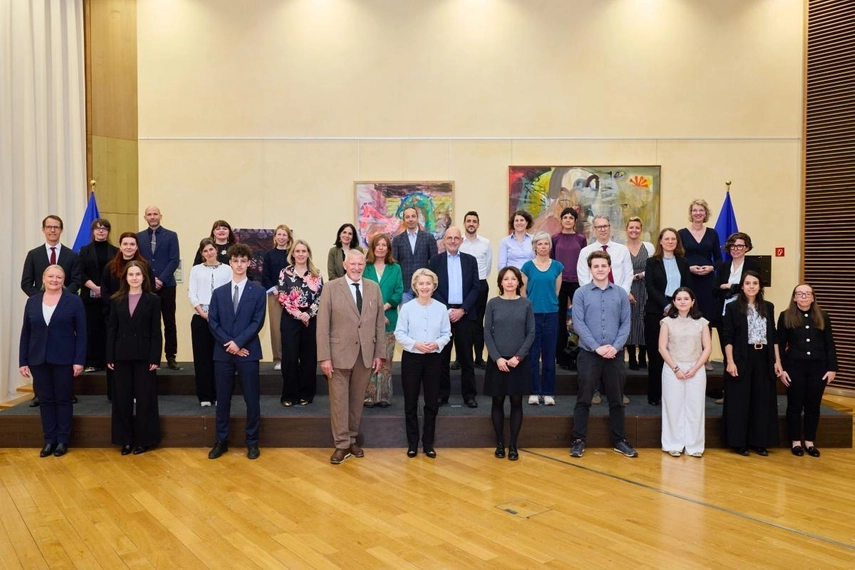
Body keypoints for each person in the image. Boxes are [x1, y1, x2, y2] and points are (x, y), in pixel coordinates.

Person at [316, 250, 386, 465]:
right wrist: (324, 357)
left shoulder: (373, 288)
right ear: (345, 265)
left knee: (356, 402)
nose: (357, 268)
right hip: (337, 356)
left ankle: (352, 439)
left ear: (365, 265)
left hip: (364, 356)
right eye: (353, 264)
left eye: (360, 264)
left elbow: (378, 323)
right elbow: (322, 325)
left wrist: (379, 354)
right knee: (339, 401)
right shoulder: (330, 287)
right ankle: (341, 444)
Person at [570, 250, 637, 459]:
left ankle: (619, 440)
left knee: (617, 400)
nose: (600, 269)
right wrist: (596, 347)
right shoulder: (580, 294)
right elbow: (578, 324)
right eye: (596, 266)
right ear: (590, 269)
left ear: (609, 268)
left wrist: (614, 347)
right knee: (584, 398)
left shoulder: (620, 294)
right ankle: (578, 439)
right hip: (589, 354)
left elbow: (626, 324)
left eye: (603, 266)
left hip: (614, 354)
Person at [207, 244, 267, 460]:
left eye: (243, 261)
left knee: (252, 399)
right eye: (236, 261)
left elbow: (257, 322)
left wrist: (239, 343)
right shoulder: (219, 292)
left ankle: (252, 442)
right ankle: (221, 441)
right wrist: (230, 344)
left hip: (248, 353)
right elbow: (213, 322)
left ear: (249, 263)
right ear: (230, 263)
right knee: (223, 399)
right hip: (223, 354)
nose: (239, 264)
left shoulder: (258, 292)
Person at [19, 265, 86, 457]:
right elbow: (26, 333)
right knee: (46, 400)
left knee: (63, 399)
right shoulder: (32, 302)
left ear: (64, 280)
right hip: (38, 359)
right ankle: (49, 440)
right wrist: (22, 361)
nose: (54, 280)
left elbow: (82, 334)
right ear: (43, 278)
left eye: (59, 277)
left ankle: (62, 441)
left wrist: (79, 360)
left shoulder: (73, 301)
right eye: (51, 276)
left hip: (65, 359)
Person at [21, 215, 84, 407]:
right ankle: (39, 394)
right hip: (41, 308)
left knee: (63, 350)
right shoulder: (33, 254)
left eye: (56, 227)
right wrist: (41, 298)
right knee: (39, 349)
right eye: (49, 227)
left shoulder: (72, 255)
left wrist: (63, 299)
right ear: (43, 230)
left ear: (61, 230)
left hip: (64, 309)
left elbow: (76, 280)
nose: (53, 230)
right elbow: (26, 282)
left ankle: (67, 392)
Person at [721, 270, 782, 456]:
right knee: (740, 401)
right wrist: (730, 362)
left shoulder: (768, 307)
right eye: (748, 283)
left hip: (764, 357)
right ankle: (739, 442)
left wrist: (777, 361)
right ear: (742, 286)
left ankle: (760, 442)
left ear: (760, 286)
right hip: (741, 357)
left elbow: (774, 335)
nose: (751, 286)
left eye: (755, 283)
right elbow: (727, 337)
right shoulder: (732, 307)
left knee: (762, 400)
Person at [106, 261, 163, 455]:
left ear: (144, 277)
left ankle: (144, 440)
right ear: (125, 278)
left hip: (145, 357)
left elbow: (156, 331)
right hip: (121, 356)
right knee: (122, 399)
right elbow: (111, 330)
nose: (135, 278)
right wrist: (109, 355)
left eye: (138, 274)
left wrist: (156, 356)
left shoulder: (153, 300)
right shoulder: (116, 299)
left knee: (145, 399)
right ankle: (126, 440)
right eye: (131, 274)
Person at [395, 268, 451, 458]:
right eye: (421, 283)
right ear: (415, 286)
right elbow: (399, 333)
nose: (425, 286)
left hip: (434, 359)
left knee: (431, 403)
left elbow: (447, 334)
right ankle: (412, 443)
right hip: (412, 358)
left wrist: (436, 344)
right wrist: (416, 344)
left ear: (434, 286)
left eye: (428, 283)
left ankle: (428, 443)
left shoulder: (441, 308)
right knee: (410, 402)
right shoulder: (407, 308)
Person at [777, 284, 838, 458]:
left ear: (813, 297)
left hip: (818, 368)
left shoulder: (823, 316)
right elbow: (780, 344)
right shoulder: (786, 316)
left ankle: (810, 441)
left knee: (813, 406)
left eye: (807, 294)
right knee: (795, 406)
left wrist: (832, 368)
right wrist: (781, 369)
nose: (803, 297)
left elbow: (829, 344)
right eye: (799, 294)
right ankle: (796, 441)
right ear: (794, 298)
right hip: (794, 367)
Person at [483, 266, 535, 461]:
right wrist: (497, 358)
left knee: (516, 401)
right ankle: (499, 443)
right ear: (501, 283)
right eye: (506, 279)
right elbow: (487, 332)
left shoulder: (526, 304)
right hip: (498, 361)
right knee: (497, 401)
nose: (510, 282)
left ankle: (513, 444)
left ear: (518, 282)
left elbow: (531, 333)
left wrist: (518, 357)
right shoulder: (493, 303)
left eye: (513, 279)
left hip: (518, 362)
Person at [429, 227, 481, 408]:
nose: (452, 241)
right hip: (442, 315)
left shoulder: (470, 261)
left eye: (456, 238)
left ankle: (469, 395)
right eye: (449, 238)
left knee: (467, 357)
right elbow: (431, 287)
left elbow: (476, 288)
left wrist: (463, 309)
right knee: (441, 358)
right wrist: (447, 310)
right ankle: (442, 394)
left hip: (465, 315)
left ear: (461, 241)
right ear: (444, 240)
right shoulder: (434, 261)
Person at [101, 232, 156, 402]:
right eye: (125, 244)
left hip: (139, 322)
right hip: (115, 317)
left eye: (132, 244)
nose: (128, 247)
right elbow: (105, 291)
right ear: (120, 245)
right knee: (116, 359)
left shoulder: (145, 266)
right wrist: (118, 309)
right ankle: (115, 394)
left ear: (137, 246)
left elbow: (150, 290)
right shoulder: (110, 266)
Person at [658, 287, 711, 458]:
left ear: (693, 301)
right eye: (679, 299)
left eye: (686, 298)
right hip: (673, 368)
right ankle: (673, 444)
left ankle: (694, 446)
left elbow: (708, 348)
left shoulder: (702, 322)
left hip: (696, 367)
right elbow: (662, 348)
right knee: (673, 406)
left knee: (695, 407)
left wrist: (695, 368)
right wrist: (676, 369)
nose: (682, 302)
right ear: (674, 302)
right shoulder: (667, 322)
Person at [644, 228, 691, 406]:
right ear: (661, 242)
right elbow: (650, 287)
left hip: (680, 313)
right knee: (656, 356)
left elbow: (687, 287)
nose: (670, 242)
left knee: (675, 355)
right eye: (667, 239)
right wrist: (666, 305)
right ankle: (655, 395)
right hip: (656, 312)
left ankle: (673, 396)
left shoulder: (684, 262)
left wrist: (678, 306)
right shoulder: (651, 262)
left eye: (674, 239)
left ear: (677, 242)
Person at [277, 239, 323, 407]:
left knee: (308, 359)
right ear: (293, 254)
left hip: (310, 320)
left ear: (308, 253)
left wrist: (308, 314)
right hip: (290, 319)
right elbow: (282, 296)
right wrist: (298, 314)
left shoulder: (316, 274)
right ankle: (289, 395)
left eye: (304, 251)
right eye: (298, 251)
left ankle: (306, 394)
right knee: (289, 358)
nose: (301, 254)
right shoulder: (285, 272)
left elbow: (320, 297)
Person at [188, 238, 232, 407]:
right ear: (202, 254)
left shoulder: (227, 269)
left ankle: (220, 395)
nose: (209, 253)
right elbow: (192, 294)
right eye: (205, 251)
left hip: (222, 320)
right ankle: (205, 396)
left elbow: (229, 293)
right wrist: (202, 312)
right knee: (202, 358)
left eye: (211, 249)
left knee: (221, 359)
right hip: (201, 318)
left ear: (216, 250)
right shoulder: (196, 270)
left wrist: (217, 315)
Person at [678, 199, 721, 370]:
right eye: (695, 210)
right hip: (688, 280)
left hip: (707, 281)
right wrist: (689, 267)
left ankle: (705, 358)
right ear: (691, 213)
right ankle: (687, 355)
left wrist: (711, 268)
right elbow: (678, 256)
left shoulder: (713, 233)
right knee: (688, 316)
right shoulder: (681, 233)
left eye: (701, 210)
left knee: (705, 319)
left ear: (705, 213)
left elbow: (719, 259)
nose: (697, 213)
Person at [521, 232, 563, 406]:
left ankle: (548, 392)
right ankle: (533, 391)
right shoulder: (527, 266)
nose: (543, 247)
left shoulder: (557, 266)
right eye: (540, 244)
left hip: (551, 315)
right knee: (532, 355)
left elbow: (557, 291)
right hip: (532, 315)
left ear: (550, 247)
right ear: (535, 247)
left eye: (546, 244)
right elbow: (523, 292)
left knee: (549, 354)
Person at [137, 205, 181, 370]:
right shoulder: (138, 237)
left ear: (160, 216)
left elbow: (174, 260)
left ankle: (171, 356)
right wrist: (149, 279)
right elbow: (138, 260)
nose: (153, 217)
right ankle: (150, 356)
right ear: (145, 217)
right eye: (149, 214)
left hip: (167, 285)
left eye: (155, 214)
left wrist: (161, 279)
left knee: (169, 321)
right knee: (149, 323)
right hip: (146, 286)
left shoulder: (171, 236)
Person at [363, 233, 403, 407]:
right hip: (368, 320)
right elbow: (362, 293)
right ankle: (369, 397)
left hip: (390, 319)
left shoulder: (396, 268)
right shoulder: (365, 267)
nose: (380, 247)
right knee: (370, 360)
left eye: (384, 245)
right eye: (377, 244)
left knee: (385, 360)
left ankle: (384, 396)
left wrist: (384, 308)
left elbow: (398, 292)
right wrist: (377, 312)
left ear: (388, 248)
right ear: (372, 247)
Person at [77, 218, 118, 372]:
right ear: (93, 231)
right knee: (91, 328)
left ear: (108, 232)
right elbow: (80, 273)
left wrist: (104, 290)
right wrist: (94, 287)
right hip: (90, 295)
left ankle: (109, 361)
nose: (101, 231)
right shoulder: (84, 250)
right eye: (98, 228)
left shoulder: (116, 251)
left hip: (110, 297)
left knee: (109, 328)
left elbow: (117, 273)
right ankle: (93, 361)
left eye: (105, 228)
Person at [550, 207, 587, 370]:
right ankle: (561, 356)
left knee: (578, 319)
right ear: (561, 220)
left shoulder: (581, 239)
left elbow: (585, 261)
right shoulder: (555, 238)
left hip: (577, 283)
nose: (568, 220)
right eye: (565, 217)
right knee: (559, 321)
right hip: (559, 283)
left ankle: (577, 354)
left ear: (575, 221)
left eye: (571, 217)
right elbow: (551, 261)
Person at [459, 211, 492, 368]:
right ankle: (460, 359)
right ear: (464, 223)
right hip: (462, 287)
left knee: (478, 322)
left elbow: (488, 265)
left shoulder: (485, 243)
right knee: (461, 323)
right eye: (468, 221)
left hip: (480, 285)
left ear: (478, 224)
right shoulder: (459, 242)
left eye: (474, 221)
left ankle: (479, 358)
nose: (471, 223)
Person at [261, 224, 294, 371]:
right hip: (274, 295)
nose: (281, 237)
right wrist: (274, 290)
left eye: (284, 235)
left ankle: (292, 357)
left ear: (288, 237)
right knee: (276, 328)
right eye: (279, 235)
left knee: (292, 327)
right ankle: (278, 359)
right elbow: (265, 276)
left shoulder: (292, 254)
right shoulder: (269, 255)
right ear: (275, 237)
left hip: (293, 295)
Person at [624, 216, 654, 371]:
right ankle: (632, 358)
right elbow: (620, 271)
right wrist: (627, 289)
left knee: (643, 320)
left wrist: (642, 274)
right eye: (631, 227)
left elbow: (654, 267)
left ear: (640, 230)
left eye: (637, 227)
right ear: (626, 229)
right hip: (628, 289)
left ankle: (643, 355)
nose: (634, 230)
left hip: (645, 287)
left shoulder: (648, 247)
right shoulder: (621, 249)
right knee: (629, 321)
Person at [391, 206, 438, 303]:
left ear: (417, 218)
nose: (410, 219)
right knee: (407, 316)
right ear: (403, 220)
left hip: (424, 287)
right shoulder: (397, 240)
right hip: (405, 288)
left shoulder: (429, 238)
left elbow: (434, 263)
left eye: (413, 216)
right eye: (407, 217)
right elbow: (395, 264)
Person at [576, 215, 633, 293]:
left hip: (618, 295)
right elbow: (583, 278)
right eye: (599, 227)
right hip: (594, 296)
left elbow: (628, 275)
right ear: (593, 229)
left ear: (610, 227)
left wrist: (623, 293)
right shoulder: (585, 252)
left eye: (605, 226)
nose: (603, 230)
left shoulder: (622, 250)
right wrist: (593, 295)